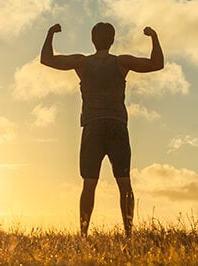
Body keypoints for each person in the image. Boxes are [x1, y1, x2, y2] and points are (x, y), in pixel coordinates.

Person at [40, 22, 164, 237]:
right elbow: (156, 63)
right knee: (124, 183)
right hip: (116, 126)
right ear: (113, 40)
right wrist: (153, 36)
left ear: (92, 39)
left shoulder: (82, 63)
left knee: (89, 184)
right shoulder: (121, 62)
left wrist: (50, 33)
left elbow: (47, 59)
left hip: (93, 127)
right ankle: (128, 236)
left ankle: (84, 236)